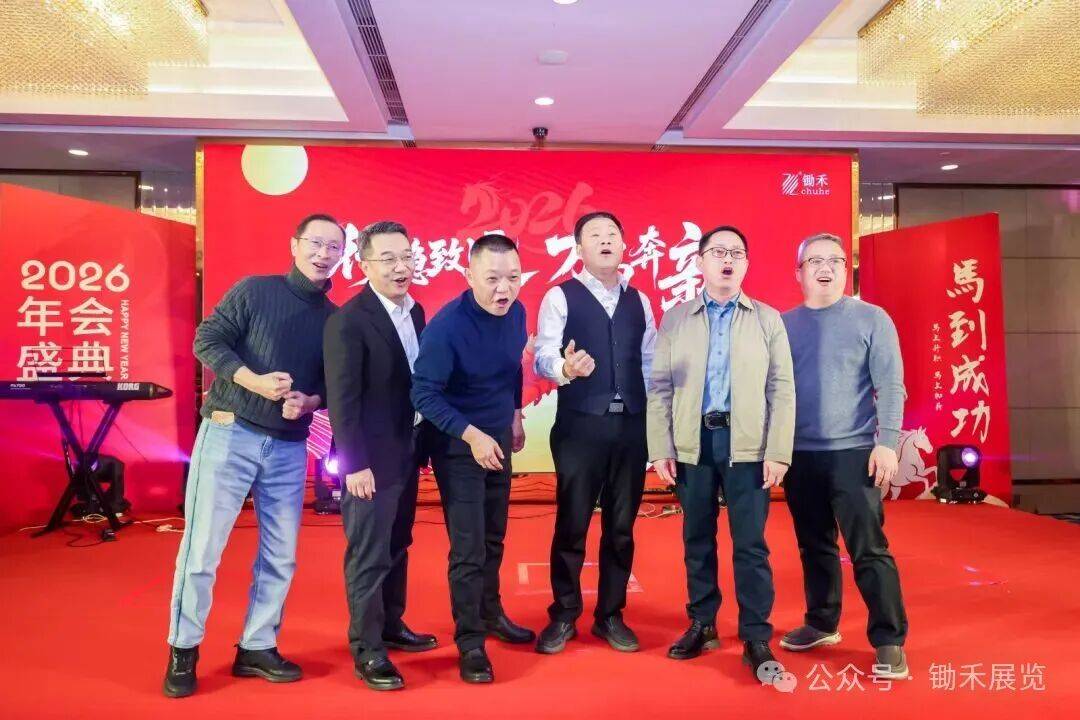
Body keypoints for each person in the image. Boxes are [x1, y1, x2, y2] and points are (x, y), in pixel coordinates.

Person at [164, 213, 341, 698]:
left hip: (288, 446)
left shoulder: (335, 319)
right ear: (294, 244)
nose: (323, 254)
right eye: (316, 243)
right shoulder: (254, 290)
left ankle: (257, 646)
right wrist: (253, 381)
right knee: (202, 550)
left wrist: (310, 401)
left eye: (334, 247)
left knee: (280, 555)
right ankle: (183, 649)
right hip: (229, 432)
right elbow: (206, 340)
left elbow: (330, 384)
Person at [646, 225, 795, 681]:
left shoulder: (767, 319)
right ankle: (703, 623)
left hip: (747, 444)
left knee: (750, 543)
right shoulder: (677, 319)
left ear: (746, 263)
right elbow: (660, 388)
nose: (727, 260)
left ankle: (755, 634)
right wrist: (661, 446)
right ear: (700, 261)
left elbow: (782, 389)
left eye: (736, 253)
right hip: (693, 443)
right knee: (697, 538)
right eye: (718, 252)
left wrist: (778, 451)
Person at [779, 232, 910, 679]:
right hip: (799, 454)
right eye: (814, 261)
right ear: (798, 273)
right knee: (813, 544)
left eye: (834, 260)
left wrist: (887, 442)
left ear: (845, 269)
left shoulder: (872, 318)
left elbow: (890, 384)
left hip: (855, 453)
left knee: (868, 548)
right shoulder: (782, 325)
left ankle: (889, 639)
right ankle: (821, 622)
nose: (825, 268)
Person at [410, 233, 534, 684]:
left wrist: (514, 416)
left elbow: (511, 369)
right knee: (468, 547)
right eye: (493, 279)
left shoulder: (516, 312)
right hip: (458, 445)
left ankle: (490, 612)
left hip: (496, 437)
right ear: (469, 276)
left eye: (513, 278)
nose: (504, 289)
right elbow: (423, 393)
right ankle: (470, 642)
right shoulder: (448, 327)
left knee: (494, 536)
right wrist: (471, 435)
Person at [532, 211, 656, 654]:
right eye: (595, 235)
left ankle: (610, 615)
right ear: (579, 248)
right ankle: (564, 614)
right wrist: (564, 368)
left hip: (631, 427)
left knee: (621, 527)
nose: (605, 241)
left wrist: (657, 421)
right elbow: (542, 355)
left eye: (612, 235)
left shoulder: (639, 301)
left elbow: (649, 363)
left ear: (624, 246)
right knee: (573, 524)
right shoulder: (560, 296)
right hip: (580, 427)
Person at [323, 221, 437, 692]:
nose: (400, 267)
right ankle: (367, 649)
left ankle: (391, 624)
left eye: (406, 257)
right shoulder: (348, 321)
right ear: (364, 265)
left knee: (397, 542)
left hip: (407, 450)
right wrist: (353, 464)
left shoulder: (416, 311)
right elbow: (342, 399)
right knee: (368, 553)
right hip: (368, 461)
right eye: (388, 259)